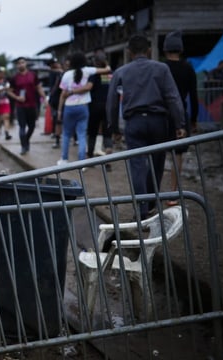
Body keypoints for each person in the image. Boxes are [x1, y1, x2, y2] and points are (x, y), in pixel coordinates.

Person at [106, 34, 186, 220]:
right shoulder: (161, 68)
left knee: (137, 166)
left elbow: (111, 102)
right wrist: (180, 123)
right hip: (158, 122)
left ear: (129, 52)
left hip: (134, 123)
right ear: (149, 50)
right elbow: (173, 97)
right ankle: (151, 203)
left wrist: (114, 129)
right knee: (157, 165)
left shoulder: (121, 72)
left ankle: (142, 209)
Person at [162, 30, 199, 206]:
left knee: (159, 151)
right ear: (181, 49)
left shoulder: (161, 67)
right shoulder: (188, 68)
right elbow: (193, 95)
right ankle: (173, 192)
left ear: (165, 49)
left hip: (161, 113)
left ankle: (151, 192)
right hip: (181, 114)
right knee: (178, 154)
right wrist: (194, 119)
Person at [56, 52, 110, 165]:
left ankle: (64, 159)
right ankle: (81, 162)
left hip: (69, 107)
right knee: (81, 135)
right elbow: (107, 69)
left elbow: (63, 94)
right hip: (83, 107)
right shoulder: (88, 71)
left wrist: (60, 110)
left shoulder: (66, 74)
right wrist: (105, 62)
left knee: (66, 134)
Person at [9, 56, 48, 154]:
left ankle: (26, 140)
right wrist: (17, 97)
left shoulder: (33, 75)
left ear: (26, 63)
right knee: (22, 127)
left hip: (32, 105)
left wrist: (44, 98)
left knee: (32, 126)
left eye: (22, 62)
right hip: (20, 106)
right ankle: (23, 147)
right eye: (19, 63)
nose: (21, 64)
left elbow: (39, 88)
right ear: (17, 65)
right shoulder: (14, 78)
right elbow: (9, 91)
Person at [86, 51, 115, 165]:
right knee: (107, 133)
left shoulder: (93, 74)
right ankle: (108, 158)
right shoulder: (110, 73)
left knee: (92, 132)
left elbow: (90, 87)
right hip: (108, 105)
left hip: (94, 106)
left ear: (95, 62)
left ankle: (90, 158)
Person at [47, 59, 64, 149]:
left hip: (62, 99)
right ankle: (57, 138)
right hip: (57, 100)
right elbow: (55, 87)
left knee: (58, 119)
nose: (57, 64)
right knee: (57, 119)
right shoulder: (55, 73)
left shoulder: (61, 73)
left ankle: (57, 137)